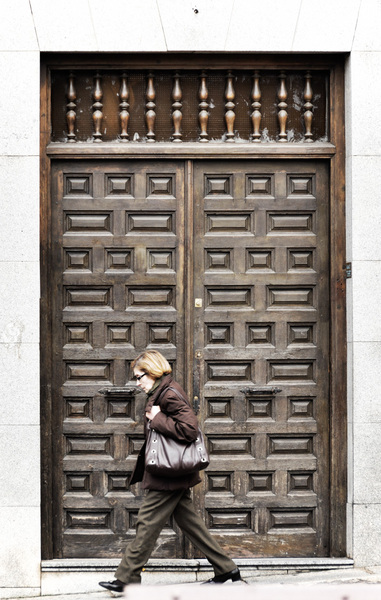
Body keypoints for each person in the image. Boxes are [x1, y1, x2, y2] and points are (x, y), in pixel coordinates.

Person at [99, 350, 242, 591]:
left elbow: (189, 429)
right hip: (171, 471)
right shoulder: (161, 391)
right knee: (190, 523)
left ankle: (127, 578)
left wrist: (157, 418)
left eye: (139, 377)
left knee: (147, 523)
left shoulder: (169, 394)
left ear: (152, 372)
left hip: (169, 473)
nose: (137, 383)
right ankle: (227, 569)